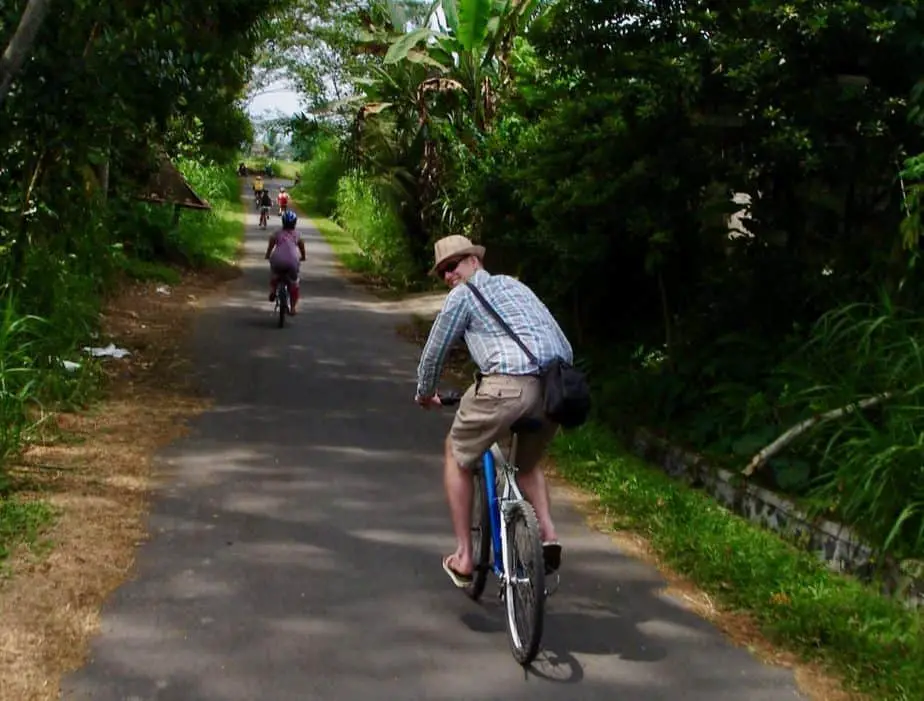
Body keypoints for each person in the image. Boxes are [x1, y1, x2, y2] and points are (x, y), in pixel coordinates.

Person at [414, 234, 573, 588]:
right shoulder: (518, 288)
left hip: (503, 387)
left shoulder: (464, 295)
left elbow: (435, 350)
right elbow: (562, 342)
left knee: (456, 454)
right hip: (552, 391)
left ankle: (465, 557)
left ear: (474, 261)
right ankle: (547, 534)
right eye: (442, 272)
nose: (449, 276)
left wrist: (425, 393)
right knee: (527, 465)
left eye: (453, 266)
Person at [264, 210, 306, 314]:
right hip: (292, 262)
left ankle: (273, 290)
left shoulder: (277, 233)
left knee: (274, 274)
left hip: (277, 260)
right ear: (295, 223)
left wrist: (268, 254)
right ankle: (293, 308)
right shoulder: (297, 234)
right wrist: (303, 257)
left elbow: (271, 244)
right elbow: (302, 247)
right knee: (294, 283)